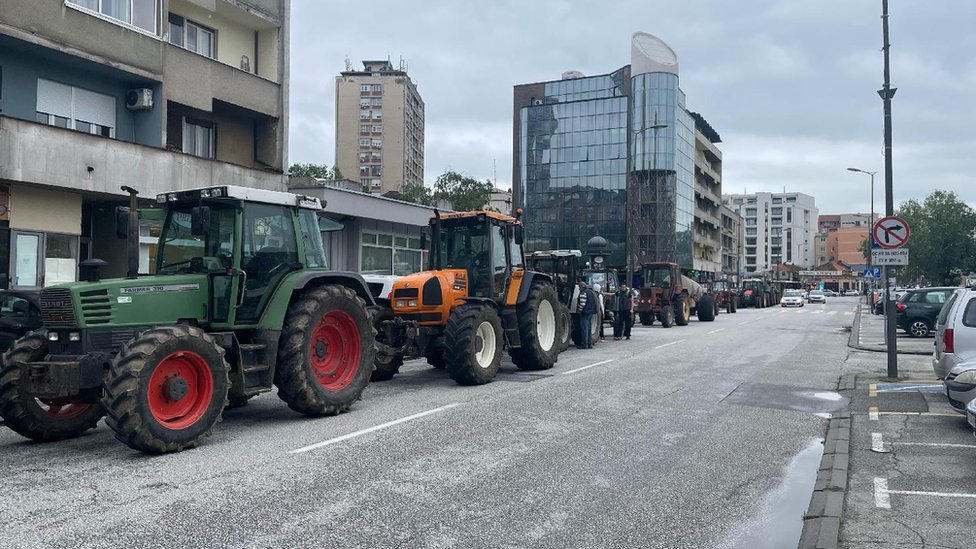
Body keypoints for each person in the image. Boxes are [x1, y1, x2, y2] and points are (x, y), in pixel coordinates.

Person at [577, 280, 597, 349]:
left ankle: (584, 344)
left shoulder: (583, 293)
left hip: (585, 312)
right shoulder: (590, 292)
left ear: (582, 287)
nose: (579, 289)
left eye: (579, 287)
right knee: (589, 328)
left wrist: (579, 310)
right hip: (591, 312)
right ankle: (589, 343)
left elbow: (582, 304)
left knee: (584, 328)